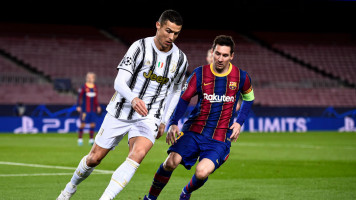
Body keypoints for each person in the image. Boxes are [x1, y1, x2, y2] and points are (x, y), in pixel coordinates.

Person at [57, 9, 188, 200]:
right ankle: (69, 189)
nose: (172, 37)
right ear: (158, 25)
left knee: (138, 154)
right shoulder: (139, 47)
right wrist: (133, 99)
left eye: (176, 33)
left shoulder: (181, 59)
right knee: (94, 158)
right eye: (168, 31)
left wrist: (164, 120)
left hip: (150, 115)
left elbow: (176, 90)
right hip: (122, 109)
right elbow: (119, 82)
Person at [144, 35, 255, 200]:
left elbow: (249, 98)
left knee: (202, 172)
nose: (220, 58)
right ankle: (150, 198)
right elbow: (183, 99)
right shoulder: (199, 74)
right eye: (217, 53)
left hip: (219, 136)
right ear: (212, 52)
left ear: (231, 56)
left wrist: (239, 122)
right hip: (194, 131)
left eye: (225, 55)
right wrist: (173, 123)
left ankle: (186, 193)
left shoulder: (241, 77)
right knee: (171, 162)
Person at [76, 72, 101, 146]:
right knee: (83, 124)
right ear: (87, 78)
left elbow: (96, 98)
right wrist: (78, 106)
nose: (90, 78)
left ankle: (91, 140)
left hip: (93, 109)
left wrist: (98, 106)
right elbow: (79, 97)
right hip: (85, 110)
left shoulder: (95, 87)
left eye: (92, 77)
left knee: (93, 124)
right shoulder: (83, 87)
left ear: (94, 78)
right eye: (89, 77)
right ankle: (80, 139)